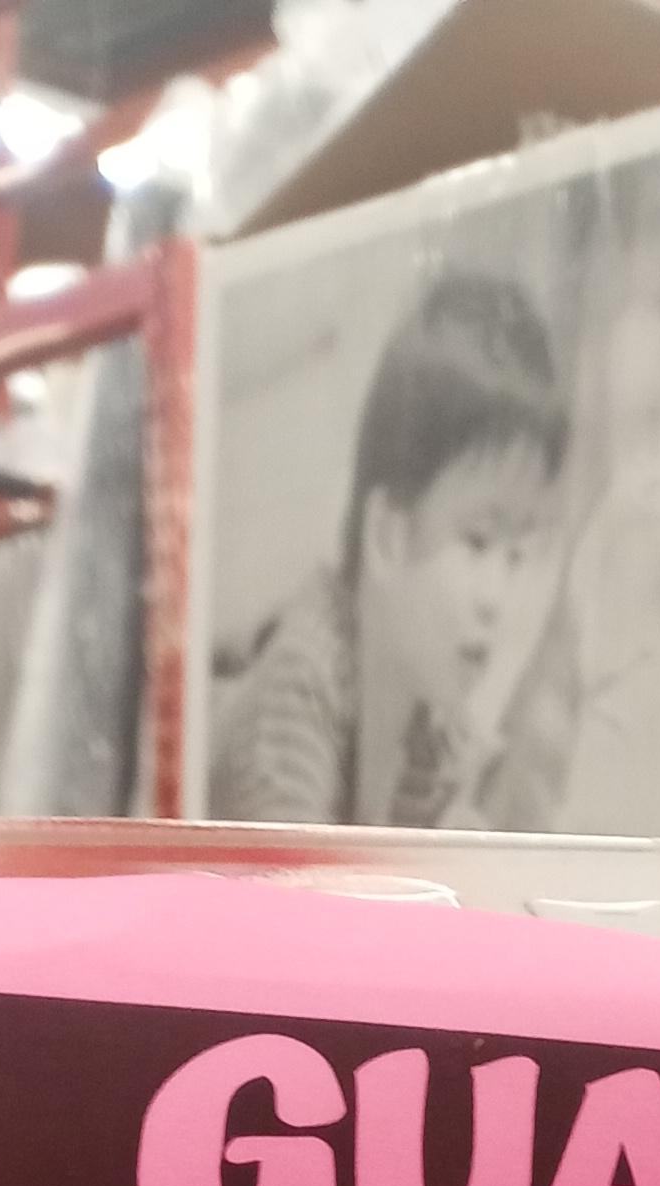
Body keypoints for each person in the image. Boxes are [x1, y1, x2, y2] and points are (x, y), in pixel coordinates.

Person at [213, 271, 567, 827]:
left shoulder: (432, 718)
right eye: (478, 543)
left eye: (516, 556)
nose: (497, 599)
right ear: (387, 538)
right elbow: (289, 881)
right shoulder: (298, 695)